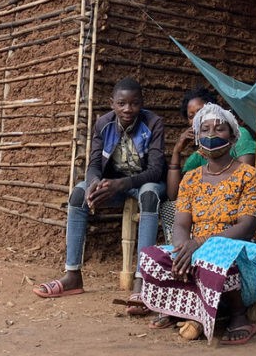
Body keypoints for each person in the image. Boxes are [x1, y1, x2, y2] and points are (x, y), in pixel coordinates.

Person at [33, 78, 166, 314]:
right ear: (112, 103)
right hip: (114, 184)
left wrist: (120, 184)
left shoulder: (153, 123)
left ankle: (142, 281)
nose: (128, 109)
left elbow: (156, 170)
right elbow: (94, 164)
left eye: (134, 103)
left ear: (142, 103)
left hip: (144, 183)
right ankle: (72, 275)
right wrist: (95, 183)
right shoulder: (103, 124)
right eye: (122, 103)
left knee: (148, 195)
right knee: (78, 194)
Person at [139, 104, 256, 345]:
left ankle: (238, 316)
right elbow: (180, 225)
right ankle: (193, 307)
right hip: (196, 256)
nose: (211, 135)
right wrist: (181, 251)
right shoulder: (191, 178)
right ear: (197, 138)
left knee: (218, 256)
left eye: (219, 129)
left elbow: (247, 227)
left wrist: (200, 243)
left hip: (237, 264)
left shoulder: (247, 175)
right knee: (151, 257)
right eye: (205, 129)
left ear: (233, 137)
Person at [167, 87, 256, 202]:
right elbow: (174, 195)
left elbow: (243, 180)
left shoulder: (239, 136)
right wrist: (176, 151)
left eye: (201, 111)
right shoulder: (199, 155)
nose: (197, 118)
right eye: (191, 116)